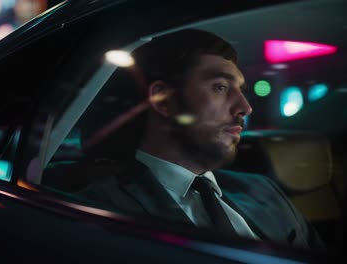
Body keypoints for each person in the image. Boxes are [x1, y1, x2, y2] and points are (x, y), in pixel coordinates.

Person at [75, 29, 325, 251]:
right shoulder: (100, 208)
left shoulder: (264, 191)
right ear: (163, 99)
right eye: (220, 87)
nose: (245, 107)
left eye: (240, 90)